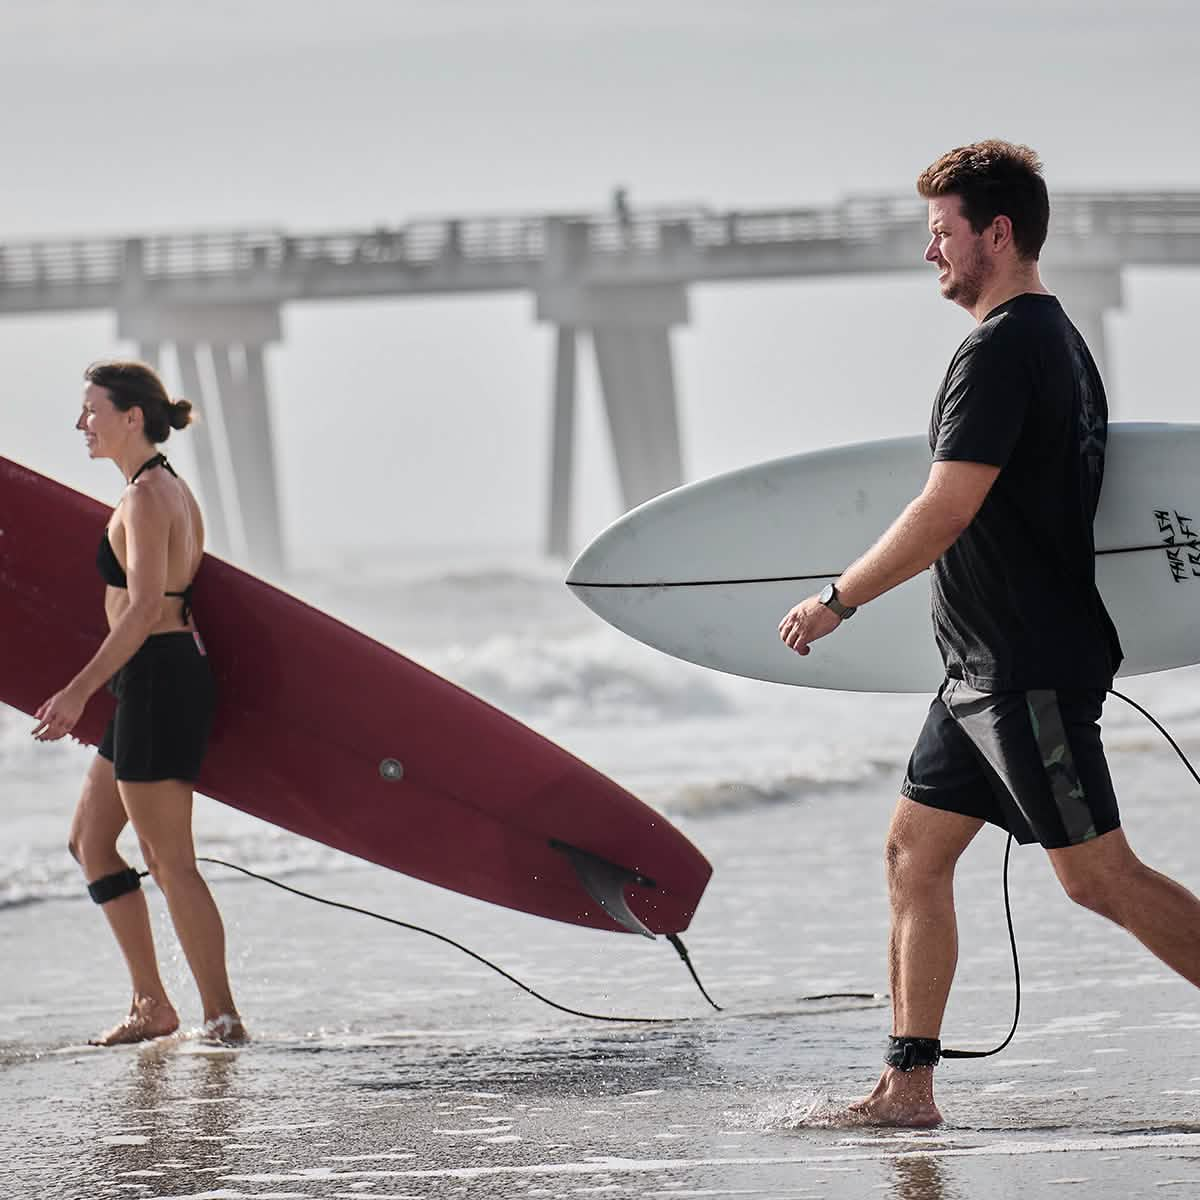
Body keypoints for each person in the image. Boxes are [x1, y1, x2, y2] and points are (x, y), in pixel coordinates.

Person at [777, 140, 1200, 1126]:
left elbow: (946, 508)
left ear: (995, 233)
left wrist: (837, 598)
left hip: (1025, 666)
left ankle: (907, 1084)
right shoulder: (1051, 341)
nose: (932, 255)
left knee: (1096, 877)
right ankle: (906, 1087)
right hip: (978, 670)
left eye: (942, 233)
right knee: (912, 854)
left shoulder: (1006, 347)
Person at [33, 360, 247, 1047]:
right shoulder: (149, 491)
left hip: (157, 678)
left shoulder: (151, 497)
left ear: (131, 417)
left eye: (91, 409)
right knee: (91, 842)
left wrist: (76, 691)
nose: (80, 424)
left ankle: (221, 1017)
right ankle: (151, 1003)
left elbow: (147, 607)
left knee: (168, 858)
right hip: (147, 679)